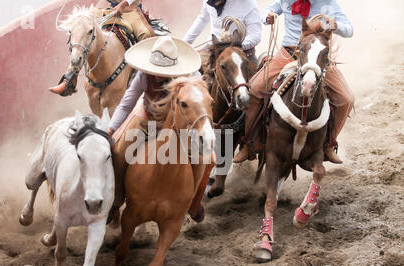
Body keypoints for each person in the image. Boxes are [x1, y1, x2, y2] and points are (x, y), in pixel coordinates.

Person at [233, 0, 355, 164]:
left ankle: (329, 145)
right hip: (289, 52)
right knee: (254, 90)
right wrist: (267, 17)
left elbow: (349, 30)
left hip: (317, 57)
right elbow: (270, 9)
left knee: (346, 98)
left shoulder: (328, 2)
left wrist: (336, 25)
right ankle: (249, 144)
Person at [108, 36, 209, 222]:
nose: (155, 73)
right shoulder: (143, 75)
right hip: (148, 118)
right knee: (120, 151)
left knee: (204, 157)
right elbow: (127, 102)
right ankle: (116, 200)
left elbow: (202, 104)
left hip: (180, 125)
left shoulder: (190, 78)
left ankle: (191, 202)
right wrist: (111, 128)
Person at [49, 0, 155, 96]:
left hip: (130, 9)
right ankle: (70, 79)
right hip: (105, 6)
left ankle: (148, 80)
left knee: (146, 35)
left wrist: (123, 4)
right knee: (82, 27)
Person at [183, 0, 262, 72]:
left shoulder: (249, 3)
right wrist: (185, 43)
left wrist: (236, 46)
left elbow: (255, 35)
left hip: (242, 52)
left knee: (254, 83)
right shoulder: (209, 1)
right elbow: (203, 19)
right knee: (191, 68)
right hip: (212, 49)